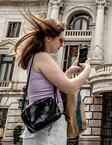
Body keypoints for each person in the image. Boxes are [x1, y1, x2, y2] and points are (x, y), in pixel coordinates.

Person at [14, 10, 91, 145]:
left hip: (42, 121)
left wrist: (68, 73)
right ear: (48, 38)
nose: (62, 45)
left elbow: (51, 87)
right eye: (60, 40)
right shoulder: (43, 56)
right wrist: (87, 70)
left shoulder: (35, 57)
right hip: (50, 124)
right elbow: (70, 87)